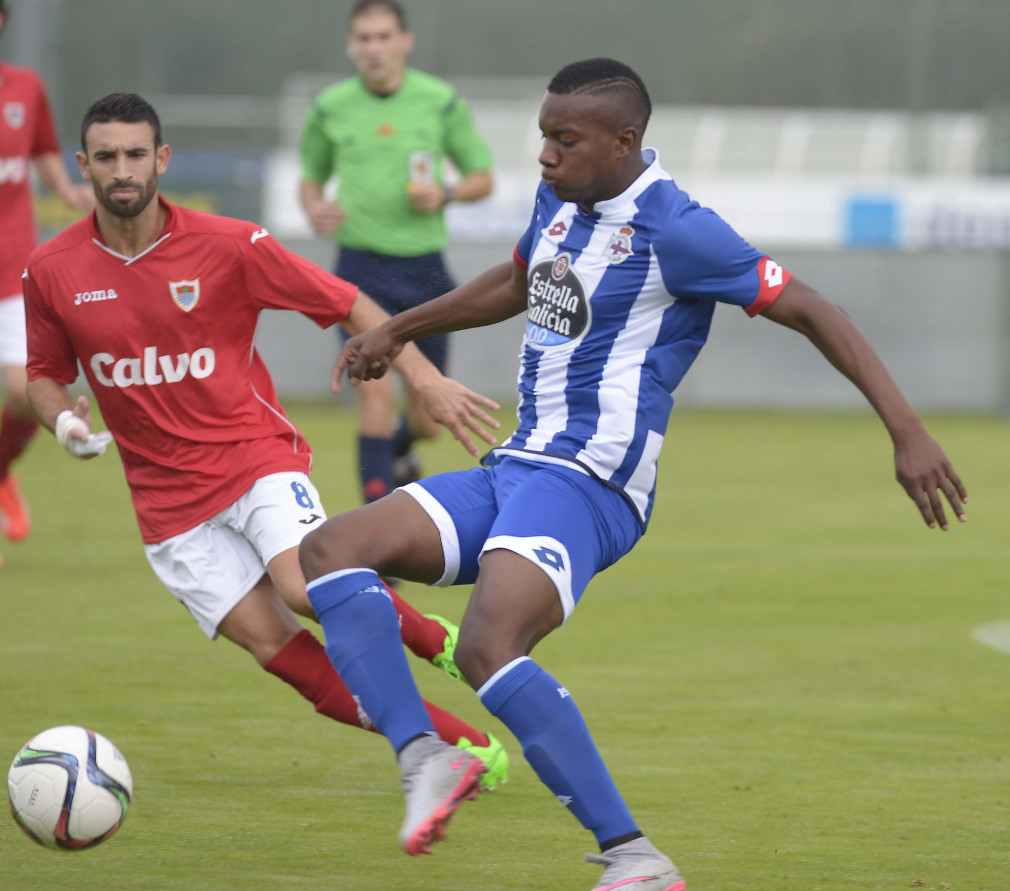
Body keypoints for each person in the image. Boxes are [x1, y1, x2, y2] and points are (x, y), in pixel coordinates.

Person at [296, 58, 968, 890]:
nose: (544, 154)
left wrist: (906, 431)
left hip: (592, 481)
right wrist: (399, 328)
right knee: (329, 551)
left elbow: (813, 309)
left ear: (623, 142)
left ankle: (633, 856)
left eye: (563, 139)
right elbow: (516, 278)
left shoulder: (679, 229)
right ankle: (424, 752)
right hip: (516, 464)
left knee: (486, 643)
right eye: (543, 135)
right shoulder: (562, 197)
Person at [23, 92, 509, 790]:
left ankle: (440, 641)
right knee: (276, 647)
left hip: (254, 457)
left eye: (135, 154)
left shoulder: (230, 244)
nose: (122, 170)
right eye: (106, 157)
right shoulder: (52, 269)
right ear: (83, 165)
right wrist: (63, 422)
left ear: (161, 159)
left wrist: (424, 378)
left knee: (308, 587)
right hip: (167, 508)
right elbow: (44, 373)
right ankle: (458, 746)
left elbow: (347, 301)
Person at [298, 0, 493, 505]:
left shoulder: (441, 101)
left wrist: (447, 193)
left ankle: (401, 451)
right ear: (351, 46)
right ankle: (377, 539)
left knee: (428, 420)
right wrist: (315, 208)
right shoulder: (330, 107)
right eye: (364, 38)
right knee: (376, 396)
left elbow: (482, 177)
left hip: (425, 271)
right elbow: (310, 181)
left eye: (384, 36)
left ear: (405, 41)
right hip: (360, 269)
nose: (374, 48)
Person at [0, 0, 93, 567]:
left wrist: (71, 192)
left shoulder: (26, 88)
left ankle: (2, 470)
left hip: (12, 272)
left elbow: (40, 152)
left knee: (20, 393)